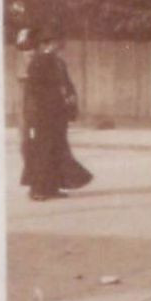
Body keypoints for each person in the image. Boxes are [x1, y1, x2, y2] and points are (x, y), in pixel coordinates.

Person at [20, 32, 92, 200]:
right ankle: (37, 190)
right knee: (42, 151)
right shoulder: (39, 61)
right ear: (45, 44)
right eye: (52, 43)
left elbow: (66, 85)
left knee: (56, 151)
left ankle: (51, 187)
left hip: (57, 115)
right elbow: (35, 91)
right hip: (43, 115)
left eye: (57, 43)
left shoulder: (57, 62)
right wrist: (38, 114)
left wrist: (70, 103)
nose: (55, 46)